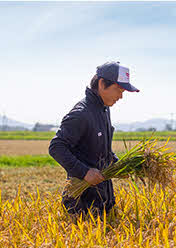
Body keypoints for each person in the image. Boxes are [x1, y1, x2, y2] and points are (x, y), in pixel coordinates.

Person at [49, 61, 140, 221]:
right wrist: (84, 172)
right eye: (118, 89)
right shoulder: (81, 113)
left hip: (103, 199)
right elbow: (56, 147)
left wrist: (117, 164)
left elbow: (101, 149)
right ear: (102, 84)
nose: (121, 96)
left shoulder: (104, 110)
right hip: (82, 204)